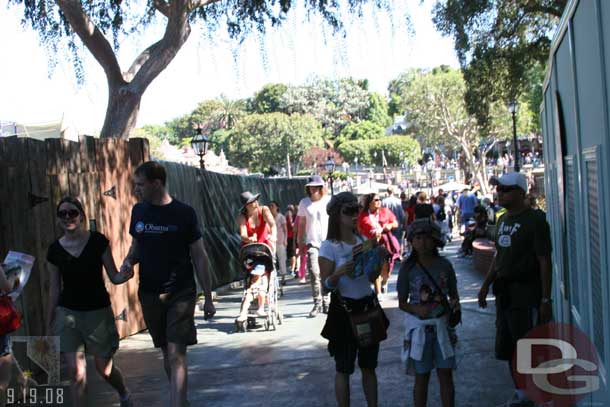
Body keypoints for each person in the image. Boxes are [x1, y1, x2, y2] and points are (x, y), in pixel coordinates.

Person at [121, 161, 216, 407]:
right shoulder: (139, 212)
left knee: (176, 354)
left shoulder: (184, 213)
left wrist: (208, 296)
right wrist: (130, 261)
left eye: (141, 184)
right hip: (150, 293)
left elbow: (199, 255)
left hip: (180, 292)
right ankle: (181, 400)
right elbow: (137, 245)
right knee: (166, 352)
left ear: (157, 183)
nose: (137, 189)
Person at [46, 196, 134, 407]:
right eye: (62, 213)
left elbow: (113, 276)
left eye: (72, 212)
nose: (68, 217)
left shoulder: (97, 241)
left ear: (82, 215)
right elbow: (55, 288)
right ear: (58, 219)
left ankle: (123, 393)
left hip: (97, 312)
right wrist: (50, 321)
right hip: (68, 314)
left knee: (104, 369)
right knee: (76, 374)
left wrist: (126, 274)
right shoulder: (54, 251)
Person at [477, 172, 552, 407]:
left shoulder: (536, 220)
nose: (500, 194)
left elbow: (544, 260)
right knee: (508, 346)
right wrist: (485, 285)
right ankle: (521, 393)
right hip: (504, 294)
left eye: (506, 190)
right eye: (499, 189)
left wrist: (545, 299)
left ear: (521, 192)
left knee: (529, 347)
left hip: (526, 292)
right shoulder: (501, 220)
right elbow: (499, 256)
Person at [320, 192, 389, 407]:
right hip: (344, 311)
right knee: (344, 368)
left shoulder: (362, 240)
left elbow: (370, 277)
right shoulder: (329, 246)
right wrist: (339, 273)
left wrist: (378, 262)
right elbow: (325, 287)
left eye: (356, 210)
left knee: (369, 366)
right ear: (336, 215)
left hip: (367, 307)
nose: (353, 215)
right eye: (348, 211)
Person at [397, 218, 459, 407]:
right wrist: (416, 308)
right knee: (421, 378)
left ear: (435, 240)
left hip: (442, 326)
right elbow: (402, 302)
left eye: (426, 237)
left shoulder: (445, 266)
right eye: (417, 238)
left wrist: (455, 308)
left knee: (445, 376)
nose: (421, 242)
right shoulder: (407, 268)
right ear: (411, 240)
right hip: (420, 330)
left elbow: (454, 294)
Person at [236, 192, 277, 319]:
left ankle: (253, 308)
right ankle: (249, 310)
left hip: (264, 251)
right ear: (246, 205)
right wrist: (249, 239)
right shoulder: (242, 217)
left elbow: (272, 224)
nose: (255, 202)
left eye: (255, 200)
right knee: (255, 278)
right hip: (250, 251)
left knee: (260, 278)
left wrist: (273, 235)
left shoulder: (264, 210)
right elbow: (243, 233)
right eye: (252, 201)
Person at [297, 175, 332, 317]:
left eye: (316, 187)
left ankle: (327, 301)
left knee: (327, 273)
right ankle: (317, 302)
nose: (313, 189)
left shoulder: (328, 201)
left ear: (321, 187)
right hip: (312, 242)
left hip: (328, 242)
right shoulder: (304, 203)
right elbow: (301, 224)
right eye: (311, 187)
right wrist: (300, 242)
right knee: (314, 272)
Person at [357, 193, 400, 300]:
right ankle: (378, 292)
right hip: (370, 244)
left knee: (386, 269)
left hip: (385, 243)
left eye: (379, 199)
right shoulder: (362, 215)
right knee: (376, 265)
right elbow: (358, 230)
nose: (379, 201)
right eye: (376, 200)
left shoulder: (385, 211)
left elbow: (395, 223)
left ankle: (384, 281)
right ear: (369, 202)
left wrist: (389, 225)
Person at [269, 201, 287, 285]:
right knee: (272, 260)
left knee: (282, 259)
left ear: (277, 207)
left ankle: (283, 278)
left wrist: (285, 240)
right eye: (270, 206)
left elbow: (285, 229)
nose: (271, 207)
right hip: (271, 242)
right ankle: (272, 278)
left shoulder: (281, 217)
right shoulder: (268, 218)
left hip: (280, 241)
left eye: (273, 206)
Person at [285, 205, 297, 278]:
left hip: (288, 236)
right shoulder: (289, 213)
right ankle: (293, 269)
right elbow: (290, 224)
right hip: (291, 236)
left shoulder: (285, 214)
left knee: (290, 253)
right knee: (292, 253)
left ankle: (293, 268)